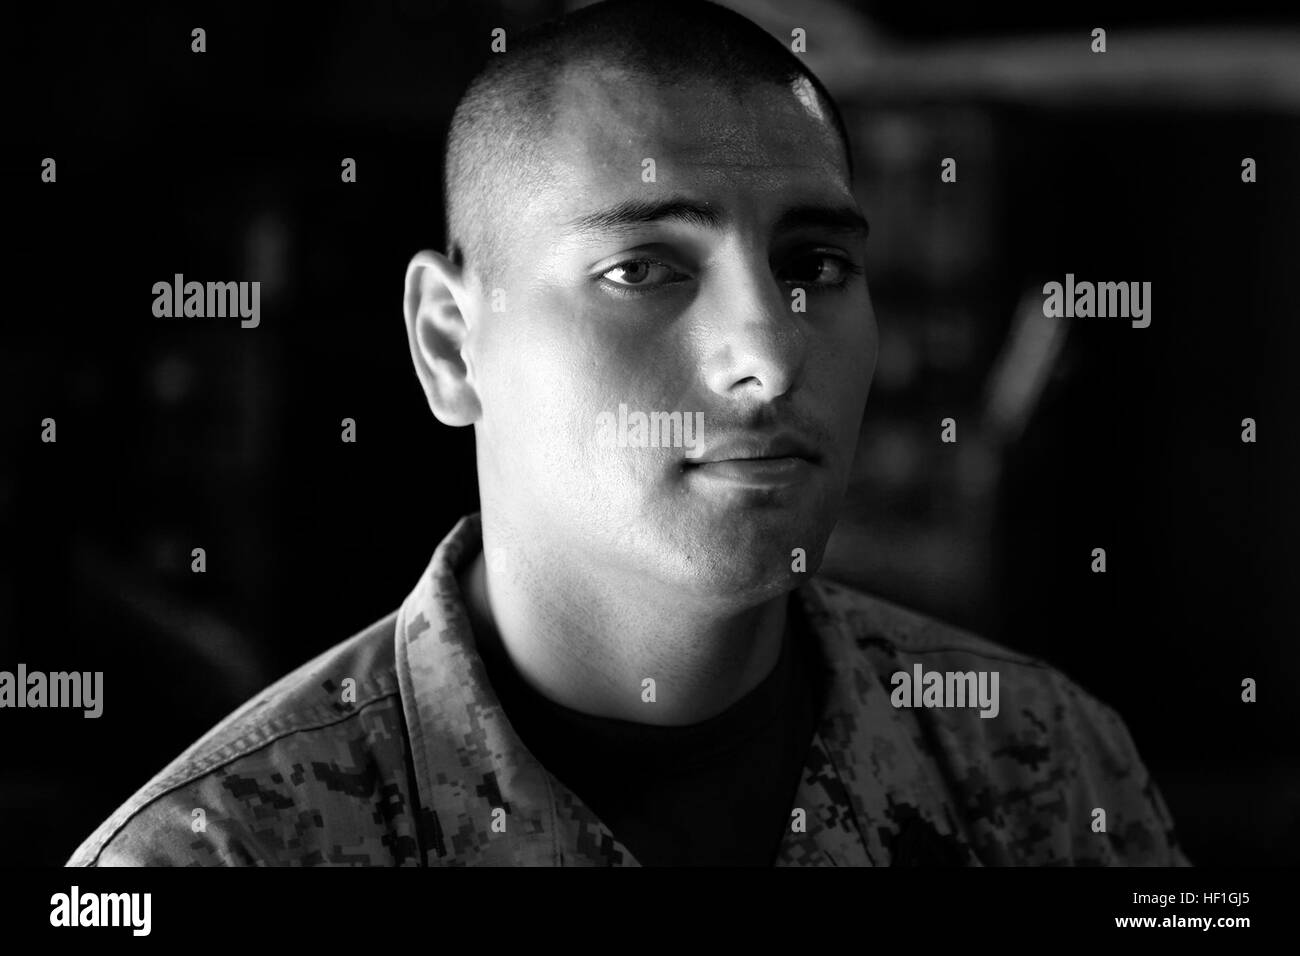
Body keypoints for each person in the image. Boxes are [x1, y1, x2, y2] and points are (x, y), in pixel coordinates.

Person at [68, 0, 1189, 867]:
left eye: (814, 266)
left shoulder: (1042, 769)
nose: (769, 351)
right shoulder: (220, 854)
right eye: (641, 267)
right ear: (454, 346)